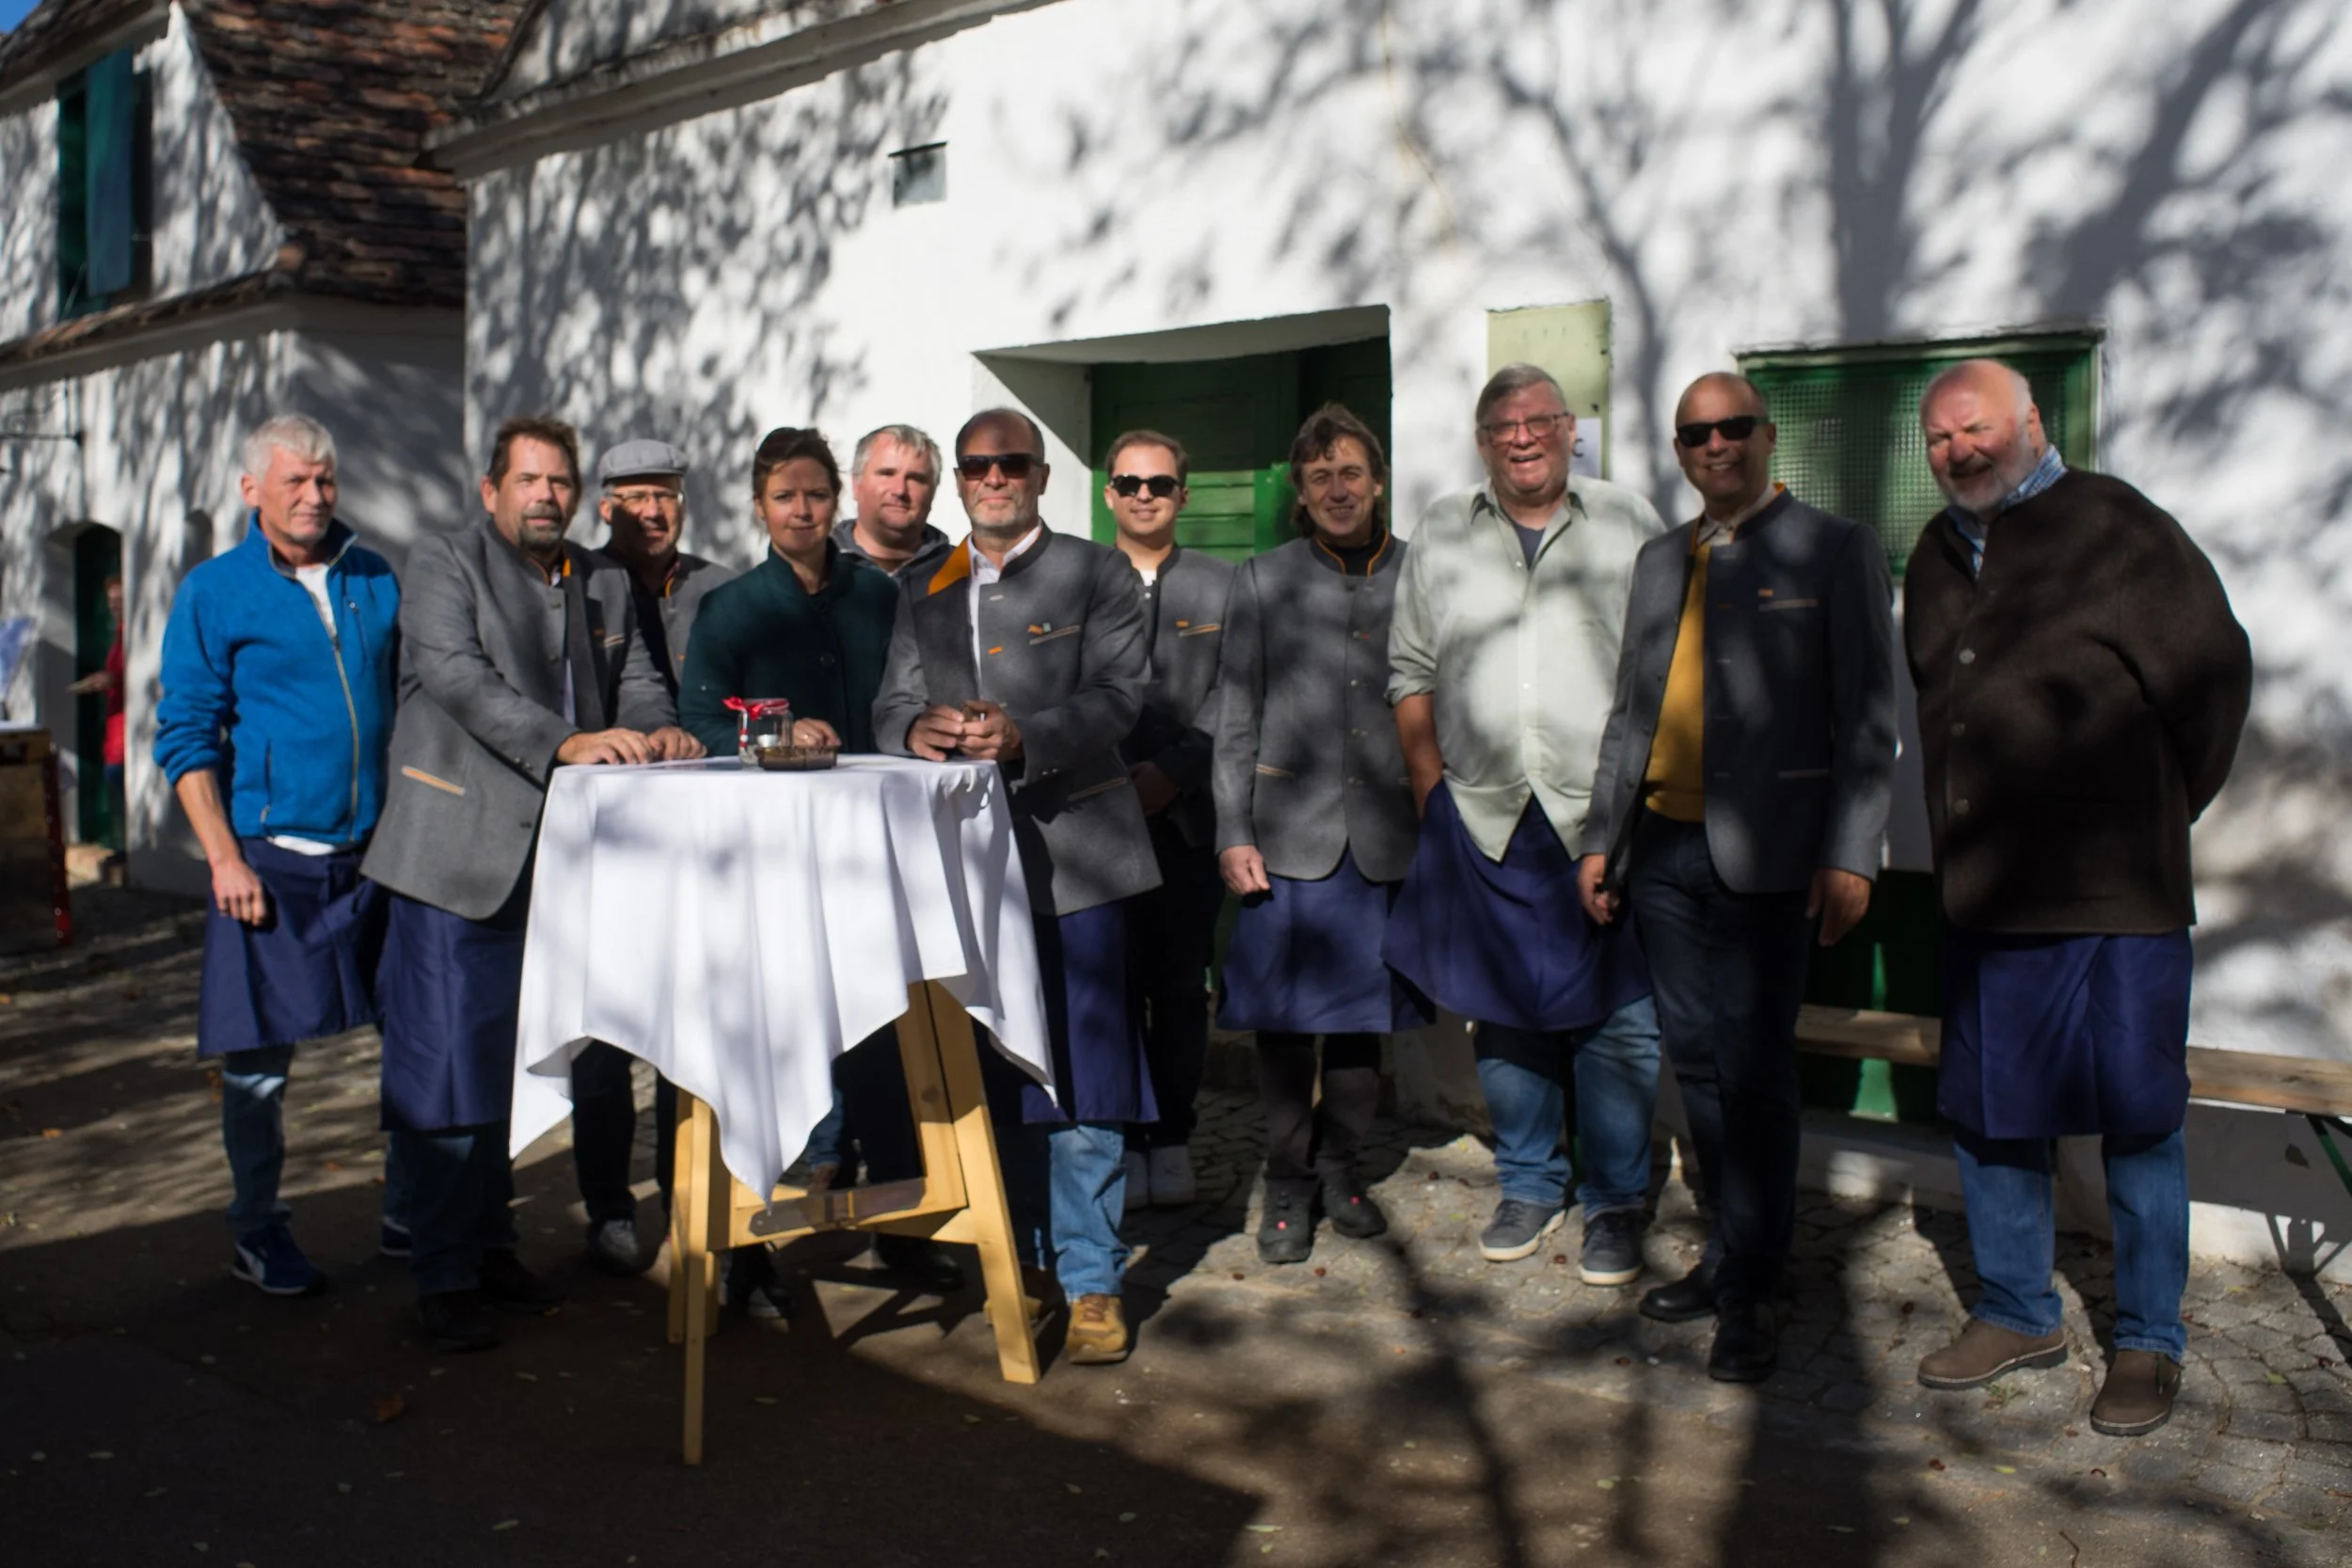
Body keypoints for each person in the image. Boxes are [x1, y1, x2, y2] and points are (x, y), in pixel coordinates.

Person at [1903, 360, 2249, 1437]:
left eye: (1975, 428)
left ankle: (2147, 1338)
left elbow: (2212, 679)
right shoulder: (1931, 551)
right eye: (1939, 438)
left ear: (2030, 423)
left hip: (2117, 901)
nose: (1958, 449)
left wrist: (2143, 813)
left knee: (2139, 1122)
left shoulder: (2116, 524)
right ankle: (2017, 1308)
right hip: (1988, 899)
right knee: (1992, 1117)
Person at [1579, 372, 1899, 1380]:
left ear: (1766, 437)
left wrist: (1850, 849)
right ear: (1678, 452)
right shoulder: (1659, 556)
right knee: (1699, 1063)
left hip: (1771, 856)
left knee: (1756, 1073)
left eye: (1732, 428)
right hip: (1665, 850)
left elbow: (1868, 716)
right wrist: (1601, 837)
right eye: (1693, 434)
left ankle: (1756, 1281)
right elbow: (1630, 713)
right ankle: (1730, 1250)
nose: (1714, 445)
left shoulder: (1835, 547)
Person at [361, 415, 703, 1353]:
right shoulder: (442, 562)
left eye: (560, 481)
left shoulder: (600, 577)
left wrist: (656, 727)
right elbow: (458, 678)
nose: (546, 495)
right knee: (443, 1077)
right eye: (529, 480)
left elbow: (634, 676)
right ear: (491, 489)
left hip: (558, 867)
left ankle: (494, 1246)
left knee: (516, 1071)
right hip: (451, 856)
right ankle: (442, 1272)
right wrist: (567, 741)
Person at [874, 406, 1160, 1365]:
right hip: (965, 868)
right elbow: (892, 700)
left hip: (1080, 856)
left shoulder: (1098, 569)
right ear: (960, 481)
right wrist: (911, 729)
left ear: (1040, 475)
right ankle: (1018, 1253)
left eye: (1012, 465)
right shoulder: (928, 580)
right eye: (977, 467)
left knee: (1082, 1074)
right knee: (990, 1067)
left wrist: (1029, 734)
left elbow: (1123, 693)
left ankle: (1089, 1280)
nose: (994, 480)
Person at [1383, 363, 1665, 1287]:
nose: (1522, 436)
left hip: (1601, 812)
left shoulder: (1628, 523)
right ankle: (1531, 1181)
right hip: (1484, 808)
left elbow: (1666, 670)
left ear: (1570, 430)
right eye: (1503, 423)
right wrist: (1431, 788)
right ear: (1481, 439)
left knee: (1617, 1020)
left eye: (1539, 419)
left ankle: (1618, 1200)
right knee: (1503, 1017)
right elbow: (1411, 668)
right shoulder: (1441, 531)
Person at [677, 425, 962, 1305]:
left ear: (835, 501)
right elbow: (699, 723)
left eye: (815, 494)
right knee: (771, 1040)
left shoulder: (879, 597)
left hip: (869, 853)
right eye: (784, 497)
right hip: (766, 859)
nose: (802, 510)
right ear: (761, 507)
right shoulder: (729, 607)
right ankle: (748, 1247)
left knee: (883, 1030)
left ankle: (904, 1225)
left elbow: (899, 701)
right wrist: (774, 732)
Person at [153, 415, 400, 1296]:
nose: (314, 496)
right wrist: (224, 857)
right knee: (257, 1068)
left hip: (375, 857)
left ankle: (414, 1211)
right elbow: (185, 736)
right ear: (252, 489)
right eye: (294, 481)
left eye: (326, 480)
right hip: (270, 859)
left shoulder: (374, 576)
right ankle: (258, 1229)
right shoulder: (214, 592)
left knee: (415, 1035)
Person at [1216, 404, 1430, 1267]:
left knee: (1358, 1025)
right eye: (1319, 478)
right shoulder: (1264, 578)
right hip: (1287, 835)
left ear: (1377, 481)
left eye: (1351, 473)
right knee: (1281, 1025)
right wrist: (1233, 828)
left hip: (1386, 836)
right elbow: (1235, 717)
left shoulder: (1422, 573)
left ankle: (1341, 1170)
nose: (1338, 490)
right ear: (1301, 497)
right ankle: (1286, 1184)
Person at [567, 436, 739, 1275]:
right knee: (602, 1040)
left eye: (666, 494)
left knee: (686, 1038)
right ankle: (606, 1208)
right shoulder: (575, 582)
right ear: (606, 507)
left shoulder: (719, 587)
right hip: (603, 844)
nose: (654, 510)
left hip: (697, 846)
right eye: (635, 496)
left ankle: (686, 1210)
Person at [1103, 430, 1232, 1211]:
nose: (1144, 494)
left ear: (1183, 494)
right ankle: (1121, 1131)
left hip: (1189, 822)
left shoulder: (1226, 585)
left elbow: (1239, 691)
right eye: (1130, 482)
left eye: (1160, 483)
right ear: (1111, 494)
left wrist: (1175, 772)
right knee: (1107, 988)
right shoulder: (1079, 580)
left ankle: (1173, 1133)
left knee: (1181, 989)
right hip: (1096, 822)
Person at [833, 423, 953, 580]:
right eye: (887, 474)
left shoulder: (964, 573)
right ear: (856, 484)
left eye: (915, 478)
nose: (900, 490)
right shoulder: (813, 564)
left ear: (934, 490)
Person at [67, 574, 127, 859]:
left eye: (119, 600)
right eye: (111, 601)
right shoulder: (117, 634)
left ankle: (127, 848)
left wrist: (110, 679)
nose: (114, 606)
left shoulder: (129, 634)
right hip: (114, 728)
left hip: (126, 734)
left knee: (118, 779)